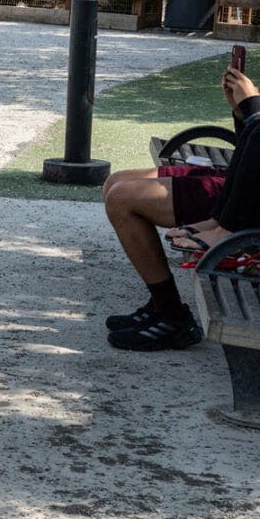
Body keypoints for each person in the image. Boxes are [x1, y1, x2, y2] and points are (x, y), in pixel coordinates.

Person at [103, 64, 260, 351]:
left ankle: (171, 316)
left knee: (122, 198)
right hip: (240, 181)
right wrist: (243, 113)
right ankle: (162, 304)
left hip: (249, 201)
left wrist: (253, 108)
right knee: (115, 182)